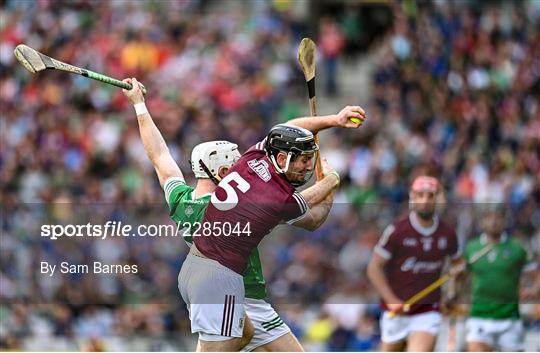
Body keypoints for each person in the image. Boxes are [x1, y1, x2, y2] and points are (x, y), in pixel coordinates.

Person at [122, 77, 364, 351]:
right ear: (223, 173)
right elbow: (313, 217)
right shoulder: (254, 200)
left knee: (247, 337)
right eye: (234, 162)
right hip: (223, 283)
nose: (242, 163)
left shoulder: (181, 200)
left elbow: (161, 158)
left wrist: (140, 106)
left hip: (239, 293)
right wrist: (329, 180)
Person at [367, 176, 461, 351]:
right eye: (420, 195)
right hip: (396, 310)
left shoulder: (448, 234)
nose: (425, 200)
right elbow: (374, 268)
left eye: (430, 195)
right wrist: (392, 300)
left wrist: (453, 290)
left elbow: (459, 266)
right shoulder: (397, 231)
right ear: (412, 198)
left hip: (428, 310)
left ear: (437, 199)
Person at [461, 206, 539, 352]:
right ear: (482, 222)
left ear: (505, 221)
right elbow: (460, 278)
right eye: (489, 218)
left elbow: (536, 275)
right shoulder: (472, 248)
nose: (494, 222)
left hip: (509, 318)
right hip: (480, 315)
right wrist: (454, 290)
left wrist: (533, 290)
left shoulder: (517, 248)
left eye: (498, 218)